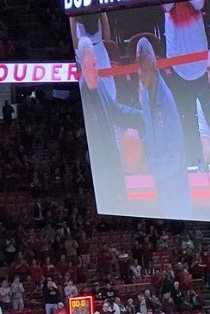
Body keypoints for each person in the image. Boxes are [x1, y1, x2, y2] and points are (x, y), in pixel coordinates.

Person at [82, 36, 192, 211]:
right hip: (109, 176)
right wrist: (140, 149)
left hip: (173, 185)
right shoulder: (147, 94)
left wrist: (147, 163)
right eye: (93, 65)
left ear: (151, 66)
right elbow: (148, 131)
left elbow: (173, 158)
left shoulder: (166, 103)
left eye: (141, 67)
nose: (138, 73)